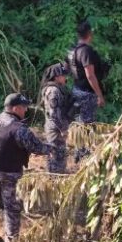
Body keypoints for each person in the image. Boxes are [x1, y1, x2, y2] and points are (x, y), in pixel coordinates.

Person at [0, 93, 52, 242]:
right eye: (24, 108)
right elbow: (37, 147)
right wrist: (53, 148)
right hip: (11, 174)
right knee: (11, 208)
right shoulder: (19, 129)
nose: (25, 111)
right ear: (15, 108)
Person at [66, 20, 109, 162]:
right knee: (87, 124)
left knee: (80, 122)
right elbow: (90, 75)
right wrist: (99, 95)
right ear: (90, 34)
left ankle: (79, 151)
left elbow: (68, 70)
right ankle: (84, 154)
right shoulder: (85, 51)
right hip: (86, 92)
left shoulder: (73, 49)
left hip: (77, 89)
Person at [40, 63, 71, 174]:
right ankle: (54, 180)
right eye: (63, 75)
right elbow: (53, 114)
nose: (65, 78)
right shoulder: (53, 91)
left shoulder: (57, 89)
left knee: (59, 155)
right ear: (57, 77)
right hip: (55, 130)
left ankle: (56, 177)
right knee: (56, 156)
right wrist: (62, 129)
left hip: (56, 128)